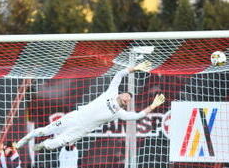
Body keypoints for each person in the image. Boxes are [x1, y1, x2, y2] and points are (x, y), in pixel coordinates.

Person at [16, 61, 165, 151]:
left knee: (54, 144)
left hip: (81, 130)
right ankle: (22, 141)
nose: (126, 99)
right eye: (126, 95)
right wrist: (135, 68)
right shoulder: (111, 92)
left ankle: (43, 146)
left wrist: (152, 105)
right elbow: (119, 75)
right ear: (121, 94)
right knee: (44, 130)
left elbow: (137, 115)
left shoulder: (119, 113)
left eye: (128, 100)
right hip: (75, 117)